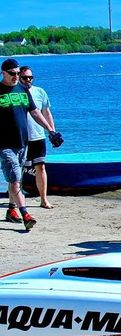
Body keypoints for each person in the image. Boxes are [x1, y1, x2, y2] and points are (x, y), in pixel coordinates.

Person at [1, 59, 58, 231]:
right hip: (4, 145)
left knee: (14, 180)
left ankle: (11, 211)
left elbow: (35, 112)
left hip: (22, 143)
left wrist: (50, 130)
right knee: (16, 179)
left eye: (18, 73)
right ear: (3, 73)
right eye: (13, 74)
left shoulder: (23, 90)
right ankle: (25, 214)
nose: (16, 77)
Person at [19, 66, 55, 209]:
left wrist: (52, 131)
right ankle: (15, 200)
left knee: (41, 167)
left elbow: (46, 113)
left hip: (38, 136)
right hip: (21, 137)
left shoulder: (40, 92)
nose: (28, 80)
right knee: (18, 169)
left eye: (30, 77)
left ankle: (43, 200)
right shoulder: (16, 93)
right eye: (25, 77)